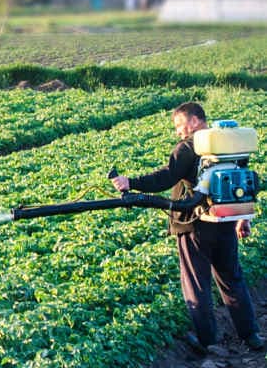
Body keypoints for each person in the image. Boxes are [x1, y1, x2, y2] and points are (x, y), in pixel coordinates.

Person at [110, 102, 264, 353]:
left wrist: (131, 182)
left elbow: (167, 176)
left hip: (194, 225)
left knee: (196, 283)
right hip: (224, 222)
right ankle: (251, 335)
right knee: (232, 278)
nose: (179, 132)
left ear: (194, 121)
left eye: (180, 125)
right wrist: (242, 218)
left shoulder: (190, 146)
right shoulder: (229, 144)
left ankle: (208, 341)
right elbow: (243, 184)